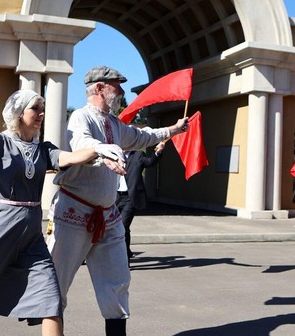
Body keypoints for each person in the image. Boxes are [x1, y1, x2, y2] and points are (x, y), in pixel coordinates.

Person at [0, 67, 124, 336]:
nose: (42, 114)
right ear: (19, 113)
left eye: (43, 108)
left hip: (32, 235)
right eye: (36, 109)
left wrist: (97, 149)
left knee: (50, 300)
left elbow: (66, 158)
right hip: (1, 229)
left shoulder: (43, 149)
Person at [46, 65, 189, 336]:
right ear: (99, 88)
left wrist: (174, 129)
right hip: (72, 215)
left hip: (108, 217)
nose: (122, 91)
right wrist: (104, 151)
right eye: (117, 85)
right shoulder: (80, 117)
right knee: (56, 283)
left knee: (117, 282)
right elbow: (80, 142)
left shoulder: (114, 123)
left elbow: (141, 137)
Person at [116, 141, 165, 261]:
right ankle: (126, 251)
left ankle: (124, 259)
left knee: (123, 225)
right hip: (115, 197)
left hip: (130, 197)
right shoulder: (113, 157)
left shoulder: (138, 155)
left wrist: (158, 152)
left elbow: (150, 162)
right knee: (116, 227)